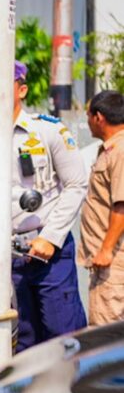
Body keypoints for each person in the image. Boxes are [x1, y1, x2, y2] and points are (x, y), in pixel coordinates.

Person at [11, 61, 87, 351]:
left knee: (63, 339)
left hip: (48, 254)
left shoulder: (48, 131)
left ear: (22, 89)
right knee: (23, 344)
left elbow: (76, 184)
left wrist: (50, 238)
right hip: (5, 258)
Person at [80, 90, 124, 324]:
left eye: (88, 116)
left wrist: (106, 249)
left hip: (113, 264)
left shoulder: (120, 150)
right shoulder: (111, 148)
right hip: (108, 261)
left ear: (98, 117)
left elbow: (122, 204)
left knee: (104, 337)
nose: (87, 122)